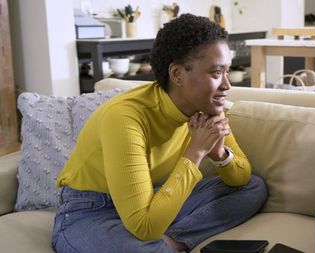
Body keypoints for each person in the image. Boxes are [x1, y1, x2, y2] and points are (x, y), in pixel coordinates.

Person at [52, 14, 267, 253]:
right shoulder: (126, 117)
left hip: (152, 197)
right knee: (147, 237)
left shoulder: (206, 108)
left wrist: (219, 154)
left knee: (253, 188)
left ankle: (171, 242)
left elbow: (241, 177)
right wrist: (195, 152)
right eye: (217, 73)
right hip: (92, 210)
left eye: (228, 71)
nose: (227, 84)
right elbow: (145, 227)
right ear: (177, 74)